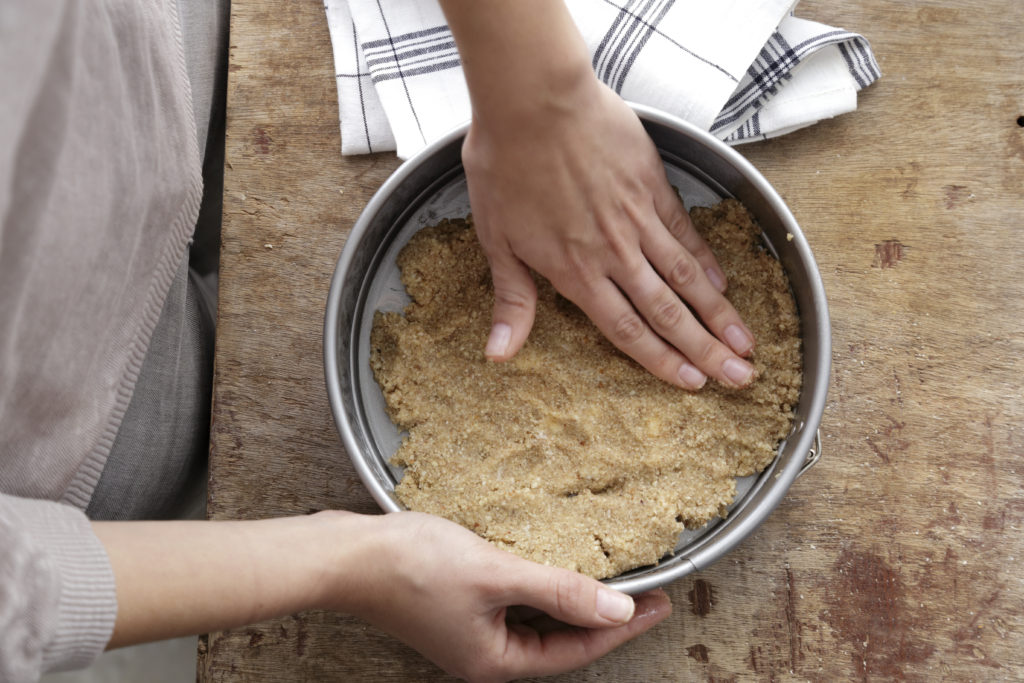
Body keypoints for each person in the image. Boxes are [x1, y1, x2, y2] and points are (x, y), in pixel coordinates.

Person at [0, 1, 755, 681]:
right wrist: (347, 562)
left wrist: (539, 90)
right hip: (80, 427)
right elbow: (19, 585)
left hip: (155, 42)